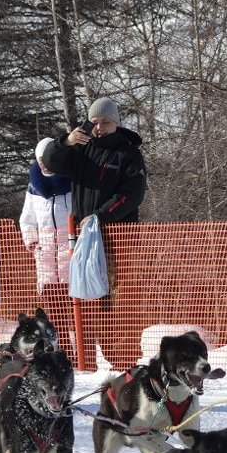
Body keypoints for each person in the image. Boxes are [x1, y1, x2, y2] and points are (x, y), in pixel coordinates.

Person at [41, 97, 147, 370]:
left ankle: (123, 361)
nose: (99, 128)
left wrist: (101, 216)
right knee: (87, 299)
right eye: (95, 122)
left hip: (117, 237)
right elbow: (50, 163)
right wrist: (65, 142)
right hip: (84, 239)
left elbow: (133, 194)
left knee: (117, 301)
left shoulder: (128, 153)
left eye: (106, 123)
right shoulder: (82, 148)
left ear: (116, 123)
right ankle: (87, 362)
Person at [20, 137, 74, 355]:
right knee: (57, 313)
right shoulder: (33, 187)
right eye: (40, 159)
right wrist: (32, 242)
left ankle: (86, 358)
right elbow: (27, 218)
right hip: (46, 258)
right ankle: (63, 353)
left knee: (82, 312)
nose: (44, 163)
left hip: (70, 254)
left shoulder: (71, 182)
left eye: (48, 159)